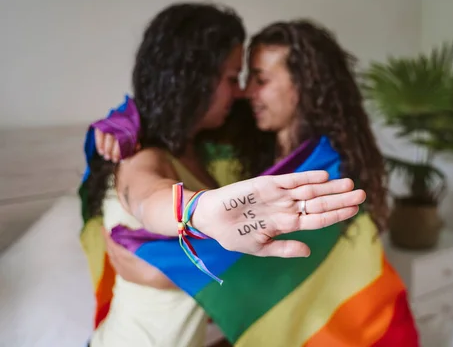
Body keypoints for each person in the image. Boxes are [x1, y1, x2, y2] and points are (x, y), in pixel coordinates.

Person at [91, 20, 420, 346]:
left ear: (305, 86)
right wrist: (124, 122)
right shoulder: (233, 144)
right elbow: (153, 180)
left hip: (351, 328)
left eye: (259, 79)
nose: (246, 92)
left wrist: (165, 270)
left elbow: (265, 271)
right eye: (241, 78)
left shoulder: (329, 170)